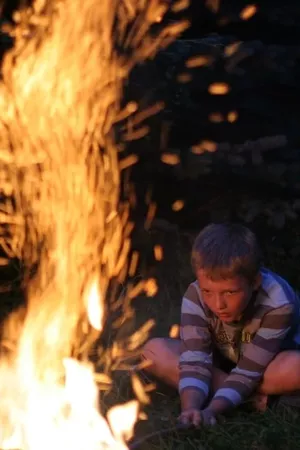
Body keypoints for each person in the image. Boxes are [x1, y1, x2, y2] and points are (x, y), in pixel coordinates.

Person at [141, 223, 300, 427]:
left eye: (230, 292)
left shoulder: (278, 303)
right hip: (220, 362)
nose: (218, 304)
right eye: (208, 291)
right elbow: (195, 359)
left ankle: (235, 398)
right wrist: (190, 409)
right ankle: (259, 401)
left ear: (255, 282)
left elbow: (249, 371)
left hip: (268, 366)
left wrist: (212, 410)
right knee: (152, 351)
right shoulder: (195, 295)